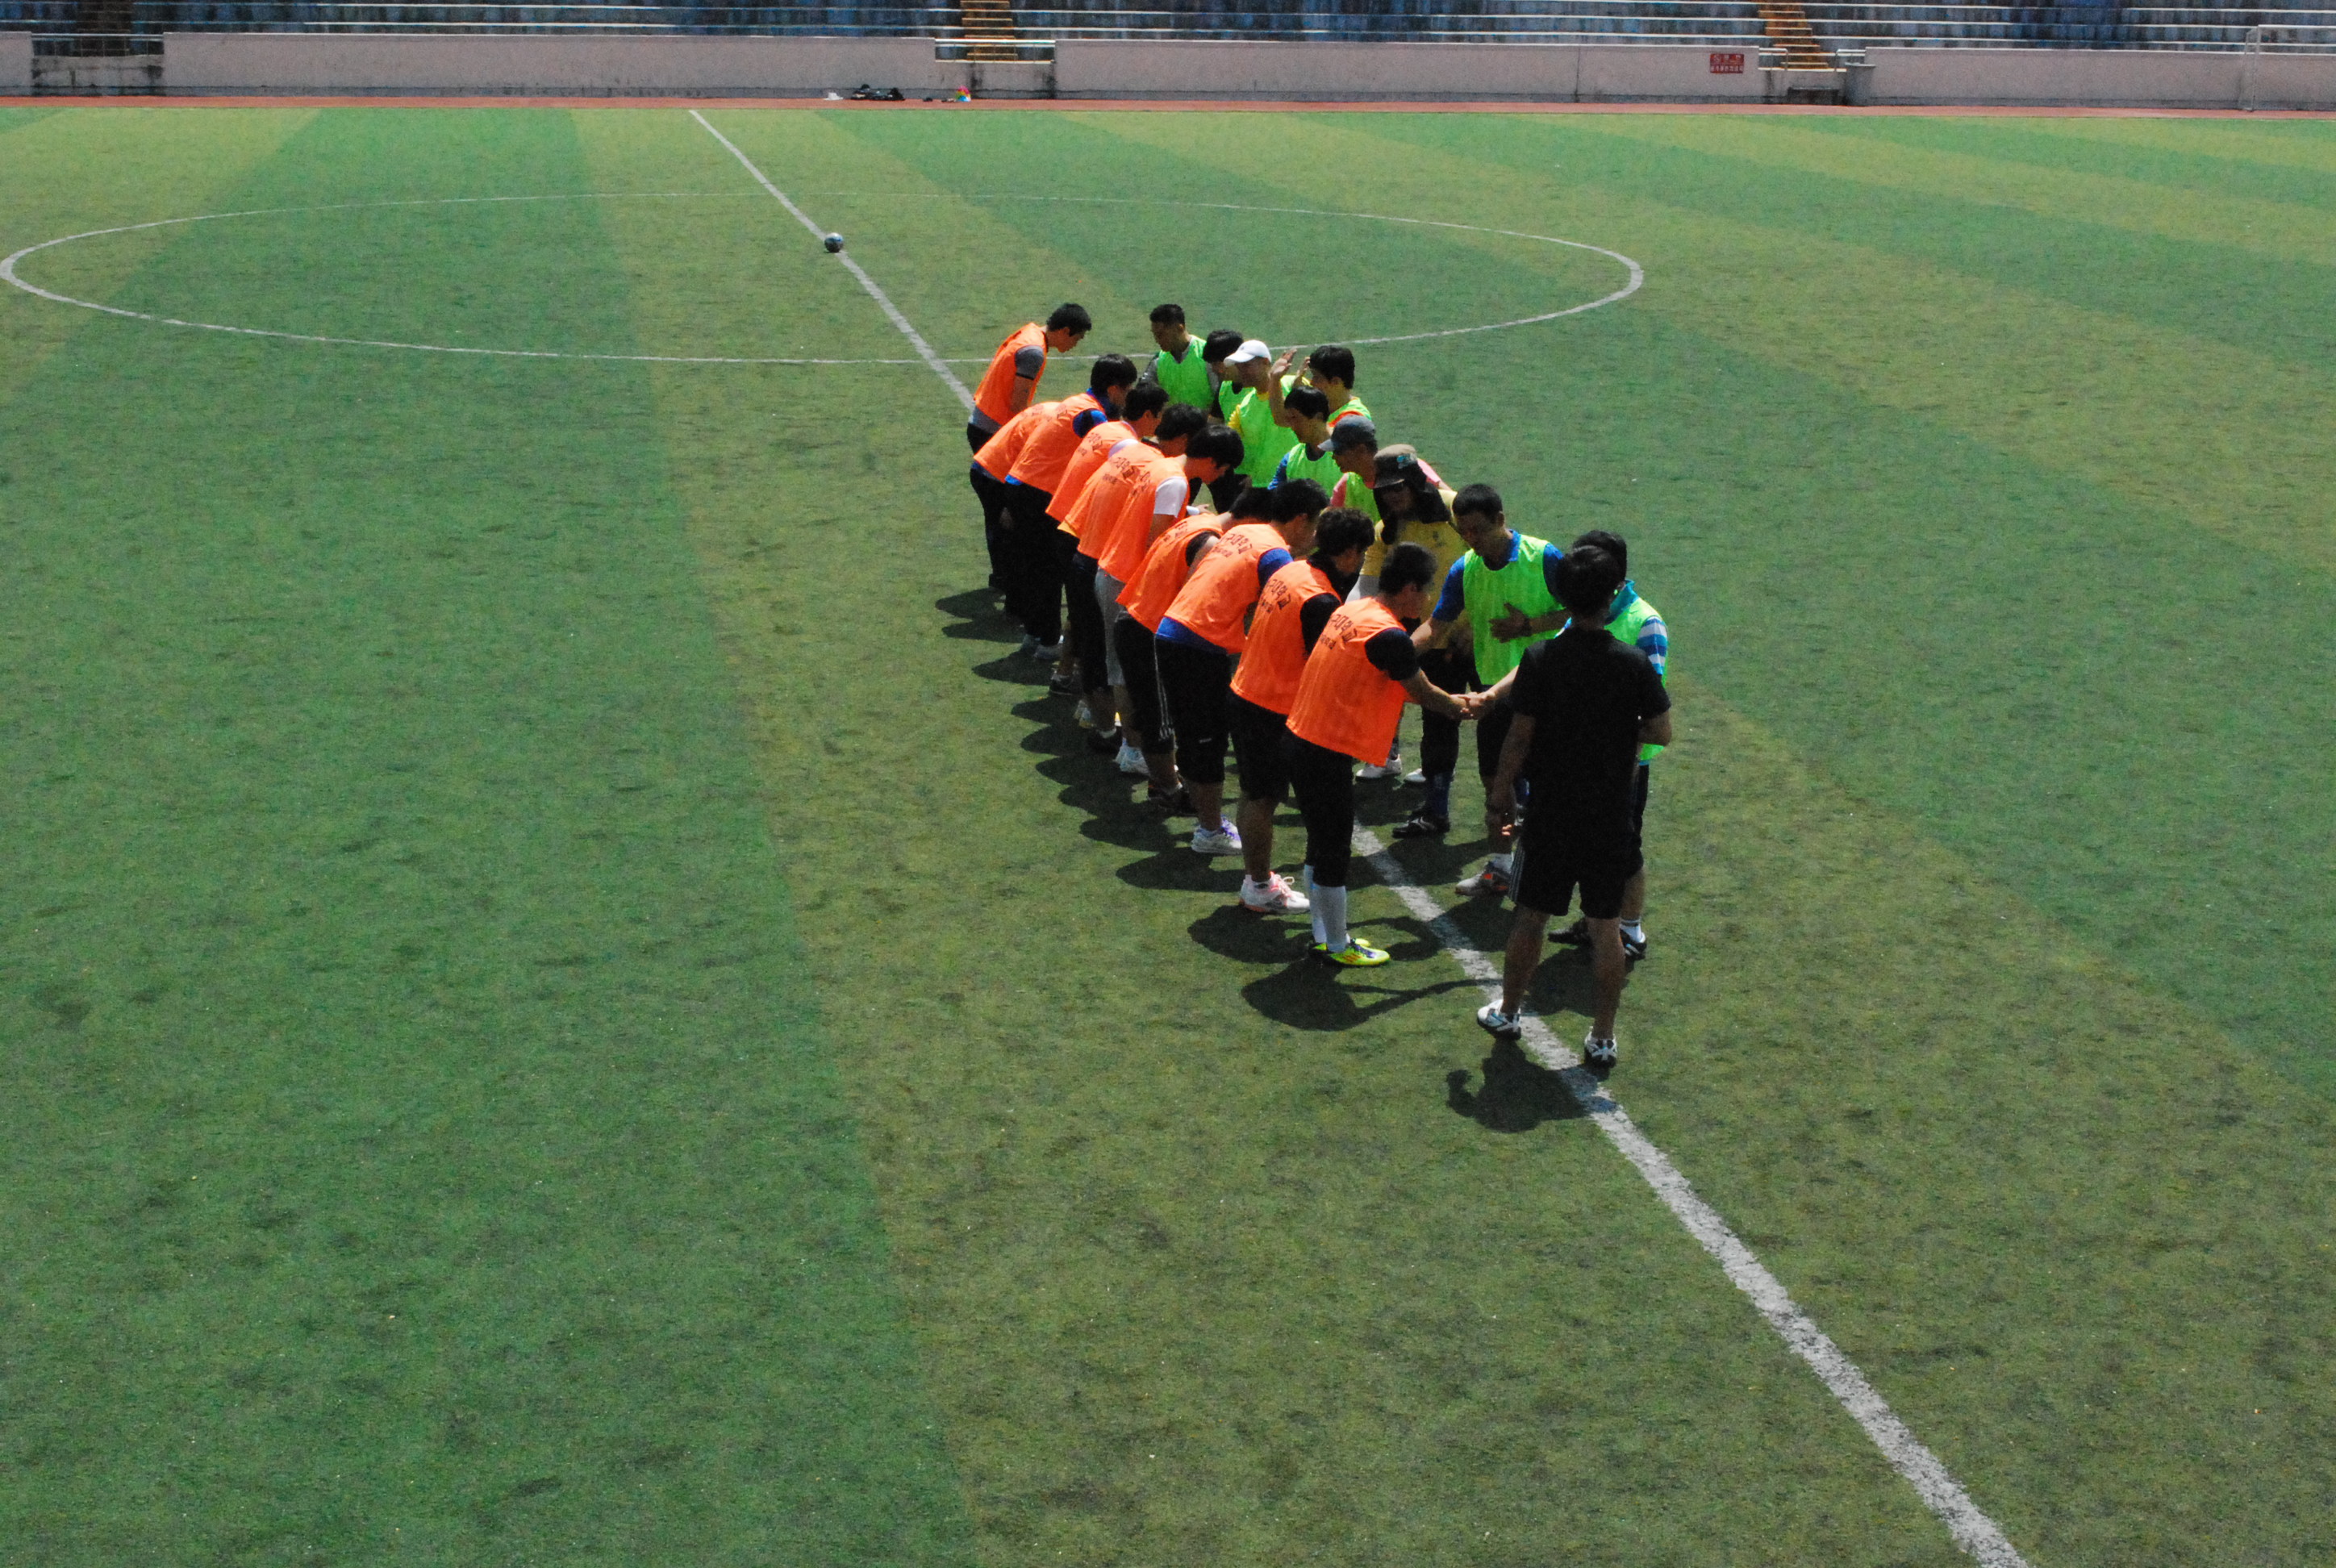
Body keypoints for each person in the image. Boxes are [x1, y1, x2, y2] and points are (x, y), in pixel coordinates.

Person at [1470, 545, 1672, 1070]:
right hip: (1609, 815)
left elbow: (1519, 736)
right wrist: (1619, 733)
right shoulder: (1631, 662)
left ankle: (1508, 1012)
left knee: (1530, 917)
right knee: (1605, 928)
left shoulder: (1541, 658)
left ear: (1563, 595)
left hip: (1551, 812)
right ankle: (1602, 1036)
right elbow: (1660, 731)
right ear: (1611, 595)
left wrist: (1500, 795)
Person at [1284, 542, 1475, 966]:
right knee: (1334, 850)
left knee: (1321, 844)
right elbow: (1424, 693)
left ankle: (1323, 935)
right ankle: (1337, 946)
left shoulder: (1356, 612)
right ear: (1409, 589)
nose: (1428, 598)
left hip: (1304, 738)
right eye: (1426, 589)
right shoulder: (1388, 635)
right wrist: (1468, 706)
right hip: (1324, 750)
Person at [1155, 480, 1328, 856]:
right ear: (1301, 520)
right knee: (1206, 741)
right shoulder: (1276, 556)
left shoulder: (1246, 532)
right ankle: (1209, 830)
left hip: (1177, 630)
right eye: (1315, 526)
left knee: (1197, 737)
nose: (1315, 537)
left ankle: (1206, 823)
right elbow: (1276, 616)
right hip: (1199, 644)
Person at [1416, 484, 1568, 902]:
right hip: (1493, 695)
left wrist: (1530, 626)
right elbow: (1437, 626)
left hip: (1549, 693)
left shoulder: (1544, 557)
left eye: (1479, 530)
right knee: (1494, 782)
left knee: (1548, 786)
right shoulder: (1465, 568)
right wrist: (1396, 653)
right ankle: (1501, 867)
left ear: (1501, 520)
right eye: (1464, 532)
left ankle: (1545, 869)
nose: (1472, 540)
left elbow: (1581, 612)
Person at [1226, 507, 1374, 915]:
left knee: (1255, 793)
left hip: (1248, 690)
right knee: (1269, 798)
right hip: (1274, 707)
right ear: (1349, 553)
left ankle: (1256, 881)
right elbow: (1324, 664)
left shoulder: (1291, 571)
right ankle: (1259, 886)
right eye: (1361, 553)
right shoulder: (1321, 599)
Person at [1075, 407, 1233, 777]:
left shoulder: (1161, 467)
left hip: (1111, 570)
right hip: (1125, 580)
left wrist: (1189, 513)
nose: (1221, 476)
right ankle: (1133, 749)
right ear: (1212, 461)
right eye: (1223, 468)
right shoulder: (1176, 482)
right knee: (1129, 672)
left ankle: (1127, 743)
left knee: (1120, 666)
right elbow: (1156, 544)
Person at [1546, 529, 1669, 962]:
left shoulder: (1645, 622)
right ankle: (1596, 920)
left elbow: (1651, 702)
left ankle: (1631, 930)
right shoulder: (1584, 612)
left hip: (1626, 760)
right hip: (1586, 753)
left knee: (1625, 847)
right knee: (1594, 846)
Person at [1335, 447, 1464, 819]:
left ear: (1417, 483)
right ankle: (1436, 808)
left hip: (1480, 635)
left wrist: (1473, 626)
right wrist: (1348, 625)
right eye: (1385, 489)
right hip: (1433, 638)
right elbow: (1366, 587)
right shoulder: (1387, 531)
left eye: (1399, 487)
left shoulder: (1456, 511)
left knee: (1501, 720)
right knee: (1439, 720)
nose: (1392, 496)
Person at [1116, 473, 1256, 808]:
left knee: (1153, 712)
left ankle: (1162, 783)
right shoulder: (1210, 543)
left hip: (1135, 617)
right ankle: (1168, 790)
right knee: (1159, 720)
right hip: (1151, 630)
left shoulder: (1196, 524)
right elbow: (1196, 598)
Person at [1000, 354, 1137, 664]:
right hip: (1039, 493)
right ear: (1114, 389)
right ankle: (1049, 641)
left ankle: (1035, 633)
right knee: (1050, 570)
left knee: (1035, 567)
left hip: (1021, 485)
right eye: (1127, 390)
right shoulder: (1094, 417)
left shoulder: (1076, 402)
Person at [1051, 382, 1168, 720]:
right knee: (1100, 635)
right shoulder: (1130, 447)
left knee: (1082, 619)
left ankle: (1068, 679)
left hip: (1070, 525)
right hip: (1086, 538)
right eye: (1160, 416)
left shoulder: (1109, 431)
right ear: (1149, 415)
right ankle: (1097, 710)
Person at [966, 303, 1091, 589]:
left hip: (983, 424)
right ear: (1065, 331)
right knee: (1007, 513)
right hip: (993, 432)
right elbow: (1018, 404)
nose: (1075, 345)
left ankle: (1002, 574)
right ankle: (1008, 576)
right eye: (1077, 338)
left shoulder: (1029, 334)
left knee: (999, 511)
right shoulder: (1034, 353)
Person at [969, 399, 1054, 606]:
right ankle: (1015, 599)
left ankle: (1006, 585)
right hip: (996, 475)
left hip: (989, 468)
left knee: (1007, 535)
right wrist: (1011, 505)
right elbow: (1025, 468)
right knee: (1017, 537)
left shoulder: (1055, 413)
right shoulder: (1054, 432)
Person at [1218, 339, 1299, 497]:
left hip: (1296, 481)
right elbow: (1231, 444)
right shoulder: (1244, 405)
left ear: (1265, 362)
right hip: (1263, 486)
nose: (1242, 372)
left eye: (1247, 366)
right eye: (1239, 367)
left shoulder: (1293, 385)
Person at [1143, 304, 1213, 414]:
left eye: (1161, 335)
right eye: (1155, 335)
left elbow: (1221, 397)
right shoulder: (1159, 360)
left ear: (1180, 328)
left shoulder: (1208, 355)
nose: (1157, 340)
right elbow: (1143, 391)